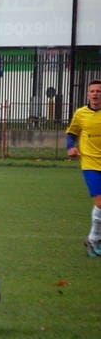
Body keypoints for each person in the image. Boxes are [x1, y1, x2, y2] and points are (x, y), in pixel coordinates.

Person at [66, 79, 101, 257]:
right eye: (92, 91)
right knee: (100, 202)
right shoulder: (81, 113)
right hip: (90, 163)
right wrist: (70, 147)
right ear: (88, 94)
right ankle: (93, 238)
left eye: (98, 91)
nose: (95, 94)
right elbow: (72, 133)